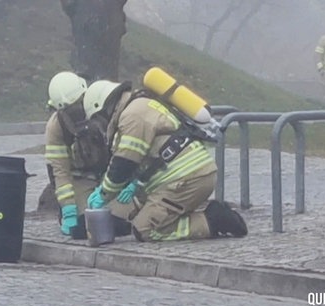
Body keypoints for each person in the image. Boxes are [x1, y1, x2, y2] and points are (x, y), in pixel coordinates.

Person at [81, 79, 248, 242]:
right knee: (133, 213)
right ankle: (179, 215)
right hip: (187, 174)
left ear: (104, 109)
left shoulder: (132, 116)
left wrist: (103, 194)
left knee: (145, 229)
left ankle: (213, 220)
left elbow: (124, 162)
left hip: (185, 178)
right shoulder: (140, 105)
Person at [43, 71, 133, 239]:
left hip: (113, 175)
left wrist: (130, 182)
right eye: (70, 109)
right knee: (85, 221)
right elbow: (59, 171)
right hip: (82, 179)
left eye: (78, 104)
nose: (76, 112)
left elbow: (128, 152)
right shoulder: (56, 127)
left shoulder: (102, 109)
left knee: (123, 215)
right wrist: (68, 208)